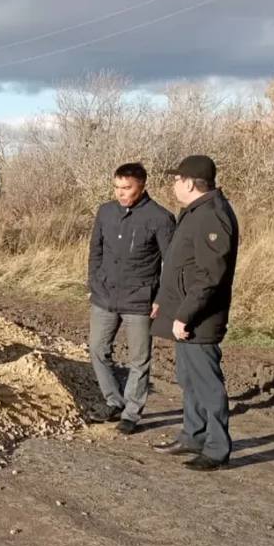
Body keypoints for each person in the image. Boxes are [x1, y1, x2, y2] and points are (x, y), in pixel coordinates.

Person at [150, 154, 239, 470]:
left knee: (207, 383)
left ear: (189, 182)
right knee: (188, 378)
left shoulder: (212, 216)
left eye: (176, 179)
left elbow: (210, 276)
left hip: (200, 318)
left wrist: (185, 315)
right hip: (185, 312)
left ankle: (216, 448)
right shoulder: (195, 212)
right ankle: (193, 434)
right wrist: (164, 300)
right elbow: (180, 264)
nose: (173, 184)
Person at [87, 162, 176, 435]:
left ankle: (132, 413)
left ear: (142, 185)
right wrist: (94, 282)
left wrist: (161, 299)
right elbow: (96, 251)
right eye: (117, 187)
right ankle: (113, 401)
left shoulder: (160, 218)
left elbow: (170, 264)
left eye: (127, 188)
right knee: (97, 350)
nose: (120, 193)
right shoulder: (106, 211)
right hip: (104, 296)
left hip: (140, 299)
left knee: (139, 359)